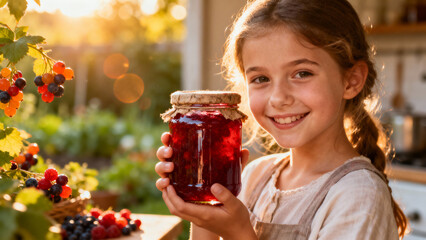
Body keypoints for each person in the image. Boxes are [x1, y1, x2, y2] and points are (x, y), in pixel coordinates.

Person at [155, 0, 408, 239]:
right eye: (261, 79)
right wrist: (202, 206)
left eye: (302, 73)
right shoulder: (255, 177)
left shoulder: (358, 195)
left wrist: (238, 233)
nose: (278, 98)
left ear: (351, 80)